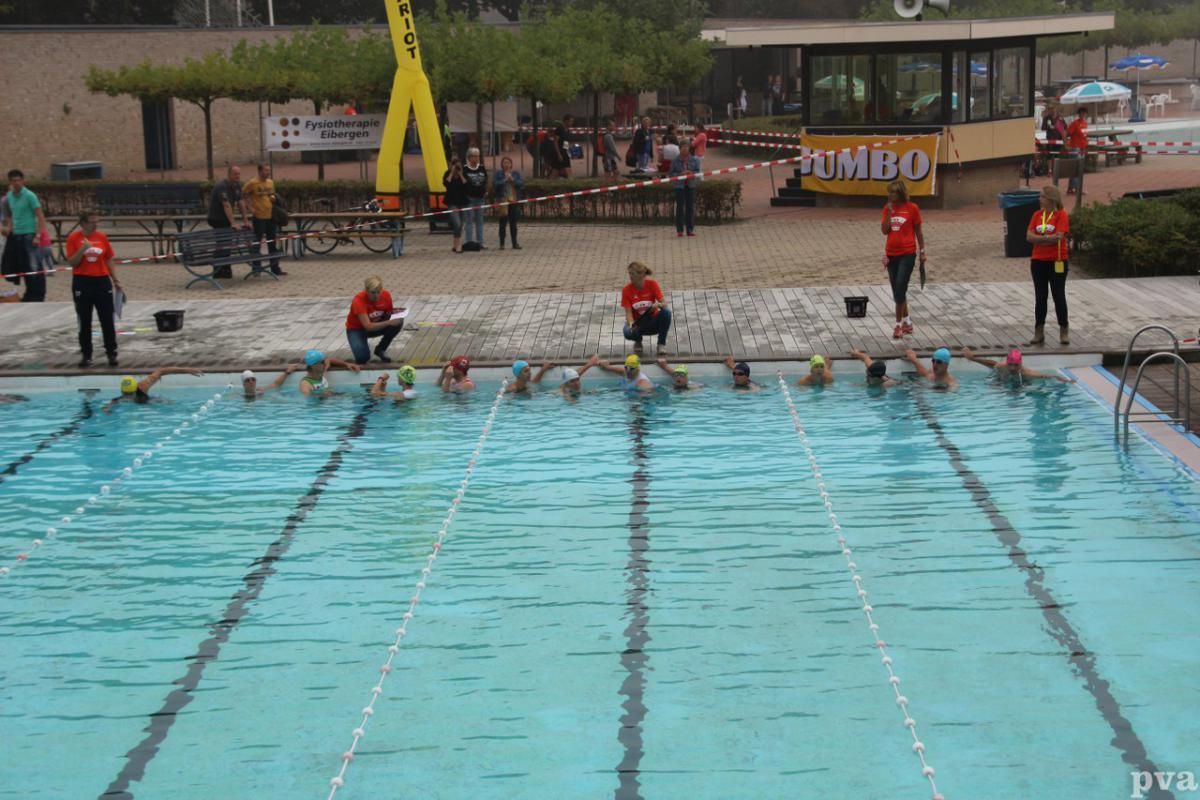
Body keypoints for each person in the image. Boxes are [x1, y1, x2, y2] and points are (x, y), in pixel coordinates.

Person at [65, 210, 122, 368]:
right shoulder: (74, 238)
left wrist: (115, 279)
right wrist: (83, 249)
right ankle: (87, 354)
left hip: (102, 281)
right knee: (84, 320)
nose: (96, 225)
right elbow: (72, 263)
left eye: (97, 221)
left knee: (107, 320)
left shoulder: (102, 237)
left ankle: (111, 353)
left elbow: (109, 258)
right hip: (82, 281)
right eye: (92, 222)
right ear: (83, 223)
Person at [1025, 184, 1071, 346]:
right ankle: (1039, 331)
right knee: (1040, 297)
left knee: (1059, 295)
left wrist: (1040, 239)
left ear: (1051, 199)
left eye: (1042, 196)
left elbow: (1059, 236)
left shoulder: (1061, 215)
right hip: (1038, 261)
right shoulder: (1037, 215)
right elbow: (1029, 236)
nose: (1040, 199)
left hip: (1057, 261)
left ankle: (1064, 329)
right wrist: (1047, 239)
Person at [881, 180, 925, 340]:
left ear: (899, 193)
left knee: (900, 288)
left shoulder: (912, 208)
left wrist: (922, 251)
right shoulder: (887, 209)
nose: (889, 195)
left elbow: (918, 231)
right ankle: (907, 322)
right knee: (897, 291)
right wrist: (890, 213)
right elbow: (885, 231)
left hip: (907, 253)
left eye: (892, 192)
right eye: (889, 192)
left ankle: (898, 325)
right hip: (891, 253)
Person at [2, 170, 49, 302]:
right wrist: (9, 228)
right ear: (10, 182)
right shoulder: (9, 196)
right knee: (20, 265)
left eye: (18, 180)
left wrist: (38, 235)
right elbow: (11, 215)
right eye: (13, 180)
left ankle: (38, 295)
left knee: (33, 266)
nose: (16, 183)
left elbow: (40, 216)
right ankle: (29, 293)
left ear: (23, 181)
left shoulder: (30, 195)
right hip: (16, 234)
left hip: (29, 234)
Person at [346, 275, 405, 364]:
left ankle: (381, 349)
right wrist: (389, 322)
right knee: (363, 358)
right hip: (357, 329)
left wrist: (397, 312)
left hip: (374, 324)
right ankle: (362, 344)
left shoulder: (386, 295)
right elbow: (368, 326)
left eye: (378, 292)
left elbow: (388, 314)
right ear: (366, 290)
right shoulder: (358, 301)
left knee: (398, 321)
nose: (376, 296)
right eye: (373, 293)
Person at [620, 261, 672, 356]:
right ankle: (638, 341)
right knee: (627, 332)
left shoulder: (652, 284)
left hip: (652, 321)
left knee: (666, 313)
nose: (630, 276)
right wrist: (632, 325)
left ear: (641, 275)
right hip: (638, 323)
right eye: (629, 273)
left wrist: (658, 305)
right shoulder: (626, 290)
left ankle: (661, 344)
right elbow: (628, 313)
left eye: (632, 274)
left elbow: (664, 304)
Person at [207, 164, 249, 279]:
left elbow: (240, 203)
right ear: (229, 174)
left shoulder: (236, 186)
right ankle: (218, 270)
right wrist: (233, 223)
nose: (238, 176)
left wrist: (246, 220)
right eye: (235, 174)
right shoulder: (222, 187)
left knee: (227, 244)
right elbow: (226, 205)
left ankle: (225, 269)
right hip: (217, 218)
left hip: (226, 219)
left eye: (239, 174)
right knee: (222, 243)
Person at [243, 163, 285, 277]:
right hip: (259, 218)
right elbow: (243, 195)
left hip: (271, 217)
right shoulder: (252, 183)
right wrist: (250, 208)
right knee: (257, 243)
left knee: (272, 242)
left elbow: (272, 195)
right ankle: (256, 268)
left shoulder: (270, 182)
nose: (268, 172)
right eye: (266, 170)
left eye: (269, 170)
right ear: (260, 171)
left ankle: (275, 268)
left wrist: (273, 199)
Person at [104, 367, 204, 411]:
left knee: (167, 402)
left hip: (150, 402)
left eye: (129, 393)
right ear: (121, 391)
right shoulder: (118, 399)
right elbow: (113, 402)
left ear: (136, 388)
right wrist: (108, 408)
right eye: (125, 393)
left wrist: (186, 370)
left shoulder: (143, 386)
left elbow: (160, 371)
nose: (127, 396)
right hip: (141, 407)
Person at [961, 347, 1075, 385]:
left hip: (1021, 384)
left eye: (1015, 365)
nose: (1012, 368)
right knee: (995, 385)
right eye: (1010, 364)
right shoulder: (1003, 366)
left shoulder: (1027, 373)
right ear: (1007, 362)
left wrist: (1065, 380)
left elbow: (1047, 376)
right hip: (1005, 382)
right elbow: (992, 364)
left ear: (1020, 363)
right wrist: (972, 358)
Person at [669, 141, 701, 238]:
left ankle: (690, 229)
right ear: (679, 149)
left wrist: (691, 173)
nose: (685, 149)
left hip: (690, 185)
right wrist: (679, 174)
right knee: (680, 208)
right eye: (683, 147)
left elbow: (698, 172)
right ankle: (679, 230)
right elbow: (671, 174)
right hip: (679, 186)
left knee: (690, 207)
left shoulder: (694, 160)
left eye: (686, 147)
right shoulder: (675, 161)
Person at [494, 156, 524, 250]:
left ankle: (514, 243)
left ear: (511, 164)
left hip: (513, 200)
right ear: (502, 164)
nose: (506, 164)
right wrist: (504, 180)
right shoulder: (499, 174)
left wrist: (512, 180)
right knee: (502, 222)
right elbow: (495, 184)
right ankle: (502, 243)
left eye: (508, 163)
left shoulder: (515, 174)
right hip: (503, 200)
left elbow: (520, 184)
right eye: (504, 163)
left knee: (513, 222)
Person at [443, 155, 469, 254]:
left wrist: (461, 174)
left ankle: (455, 245)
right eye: (454, 164)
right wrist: (451, 172)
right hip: (452, 202)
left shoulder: (463, 174)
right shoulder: (447, 174)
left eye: (458, 164)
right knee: (457, 224)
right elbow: (446, 184)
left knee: (460, 225)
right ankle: (459, 246)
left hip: (462, 202)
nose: (456, 166)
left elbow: (466, 186)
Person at [462, 147, 487, 248]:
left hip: (480, 199)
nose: (476, 158)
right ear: (469, 157)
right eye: (474, 156)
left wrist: (485, 191)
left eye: (478, 156)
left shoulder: (481, 168)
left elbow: (485, 179)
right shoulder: (465, 169)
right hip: (469, 199)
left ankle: (480, 242)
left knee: (480, 221)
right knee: (468, 221)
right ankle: (468, 242)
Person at [1065, 108, 1088, 195]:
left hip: (1082, 149)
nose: (1083, 114)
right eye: (1081, 113)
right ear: (1079, 114)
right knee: (1076, 169)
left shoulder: (1085, 124)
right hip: (1075, 148)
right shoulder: (1075, 124)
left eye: (1084, 113)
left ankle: (1070, 188)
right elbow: (1066, 133)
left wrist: (1085, 147)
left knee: (1076, 169)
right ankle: (1078, 189)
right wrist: (1066, 145)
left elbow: (1084, 137)